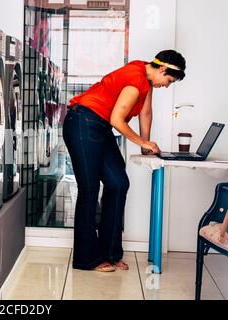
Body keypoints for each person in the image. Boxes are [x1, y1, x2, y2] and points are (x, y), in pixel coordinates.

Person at [63, 50, 186, 272]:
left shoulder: (146, 77)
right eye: (168, 81)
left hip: (99, 126)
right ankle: (86, 259)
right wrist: (142, 141)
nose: (166, 86)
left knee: (118, 183)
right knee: (89, 190)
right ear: (162, 69)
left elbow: (146, 112)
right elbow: (117, 119)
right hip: (83, 121)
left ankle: (110, 253)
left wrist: (144, 144)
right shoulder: (136, 80)